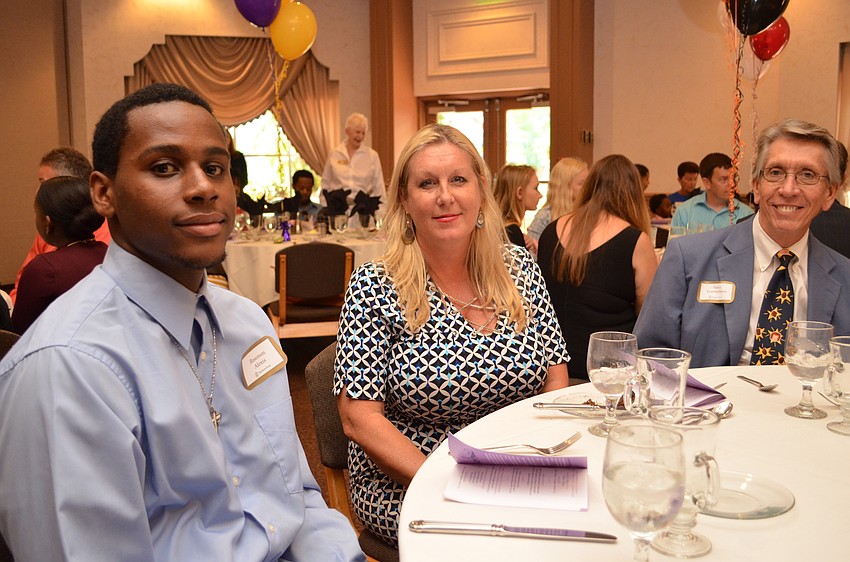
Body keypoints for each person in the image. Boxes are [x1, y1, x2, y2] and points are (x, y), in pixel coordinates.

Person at [0, 83, 363, 561]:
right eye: (164, 168)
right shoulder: (69, 367)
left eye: (216, 168)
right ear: (104, 194)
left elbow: (294, 493)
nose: (203, 187)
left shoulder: (248, 322)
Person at [333, 123, 569, 547]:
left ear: (480, 189)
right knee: (510, 543)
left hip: (514, 467)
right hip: (413, 478)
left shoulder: (518, 267)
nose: (445, 195)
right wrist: (451, 480)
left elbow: (555, 373)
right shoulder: (374, 285)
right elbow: (359, 418)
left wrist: (540, 459)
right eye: (427, 183)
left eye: (458, 179)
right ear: (404, 200)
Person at [635, 119, 850, 368]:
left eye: (807, 175)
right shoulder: (688, 258)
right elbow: (649, 356)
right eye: (776, 173)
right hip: (708, 404)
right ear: (757, 187)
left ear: (829, 194)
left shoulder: (845, 278)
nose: (789, 189)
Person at [537, 154, 658, 381]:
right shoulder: (634, 240)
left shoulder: (552, 229)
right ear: (633, 193)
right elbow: (648, 314)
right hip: (608, 370)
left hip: (552, 366)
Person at [9, 148, 111, 304]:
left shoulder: (110, 240)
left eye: (44, 184)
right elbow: (20, 289)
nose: (38, 193)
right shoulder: (49, 231)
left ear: (71, 187)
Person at [12, 176, 108, 334]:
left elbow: (21, 333)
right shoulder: (107, 252)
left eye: (36, 213)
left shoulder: (44, 270)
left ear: (47, 222)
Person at [321, 112, 386, 213]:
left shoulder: (372, 156)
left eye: (363, 133)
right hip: (338, 211)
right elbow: (325, 183)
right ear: (347, 131)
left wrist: (381, 213)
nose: (360, 136)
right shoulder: (334, 154)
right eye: (357, 132)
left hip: (363, 212)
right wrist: (325, 208)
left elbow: (379, 187)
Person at [671, 152, 754, 230]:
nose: (731, 184)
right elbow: (675, 244)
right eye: (723, 179)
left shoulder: (746, 214)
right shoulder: (684, 212)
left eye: (732, 178)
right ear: (707, 183)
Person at [528, 157, 588, 241]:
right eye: (581, 183)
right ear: (565, 186)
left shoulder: (587, 213)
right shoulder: (545, 217)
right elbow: (532, 251)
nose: (587, 187)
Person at [493, 163, 542, 253]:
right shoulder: (512, 232)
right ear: (519, 192)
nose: (540, 195)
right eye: (536, 188)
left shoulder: (500, 228)